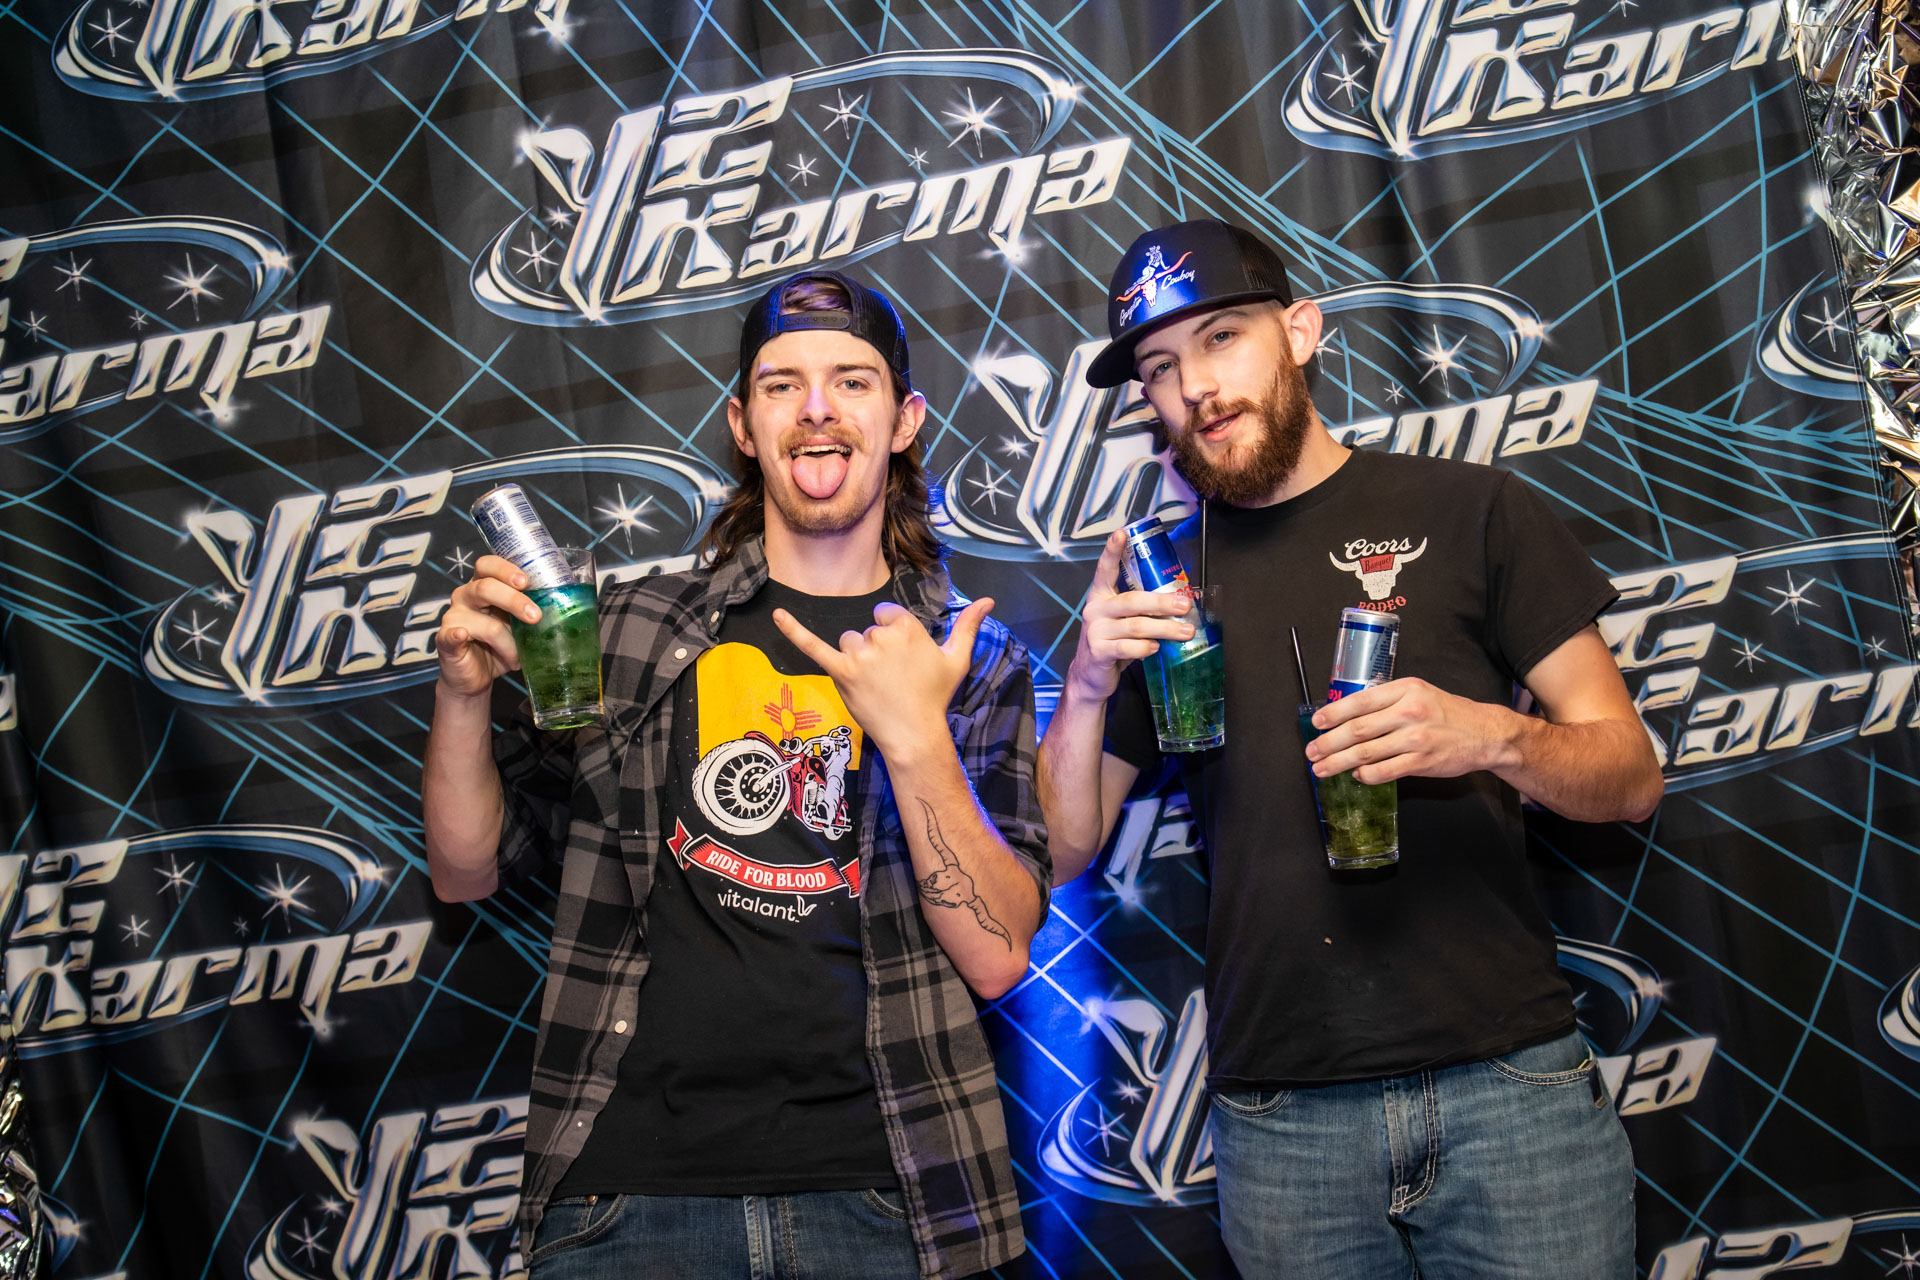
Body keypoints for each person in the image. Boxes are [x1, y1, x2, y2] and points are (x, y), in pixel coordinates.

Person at [1036, 218, 1664, 1279]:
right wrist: (1090, 681)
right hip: (1284, 1121)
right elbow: (1061, 848)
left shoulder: (1471, 510)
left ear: (1301, 331)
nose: (1197, 387)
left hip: (1508, 1089)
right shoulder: (1158, 588)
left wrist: (1489, 736)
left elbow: (1632, 777)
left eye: (1222, 338)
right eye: (1160, 369)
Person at [423, 269, 1049, 1279]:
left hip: (889, 1200)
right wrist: (460, 695)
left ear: (903, 421)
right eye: (781, 385)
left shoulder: (968, 657)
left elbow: (996, 958)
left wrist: (917, 741)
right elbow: (464, 871)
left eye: (852, 381)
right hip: (629, 1202)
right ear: (744, 427)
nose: (816, 408)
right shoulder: (628, 631)